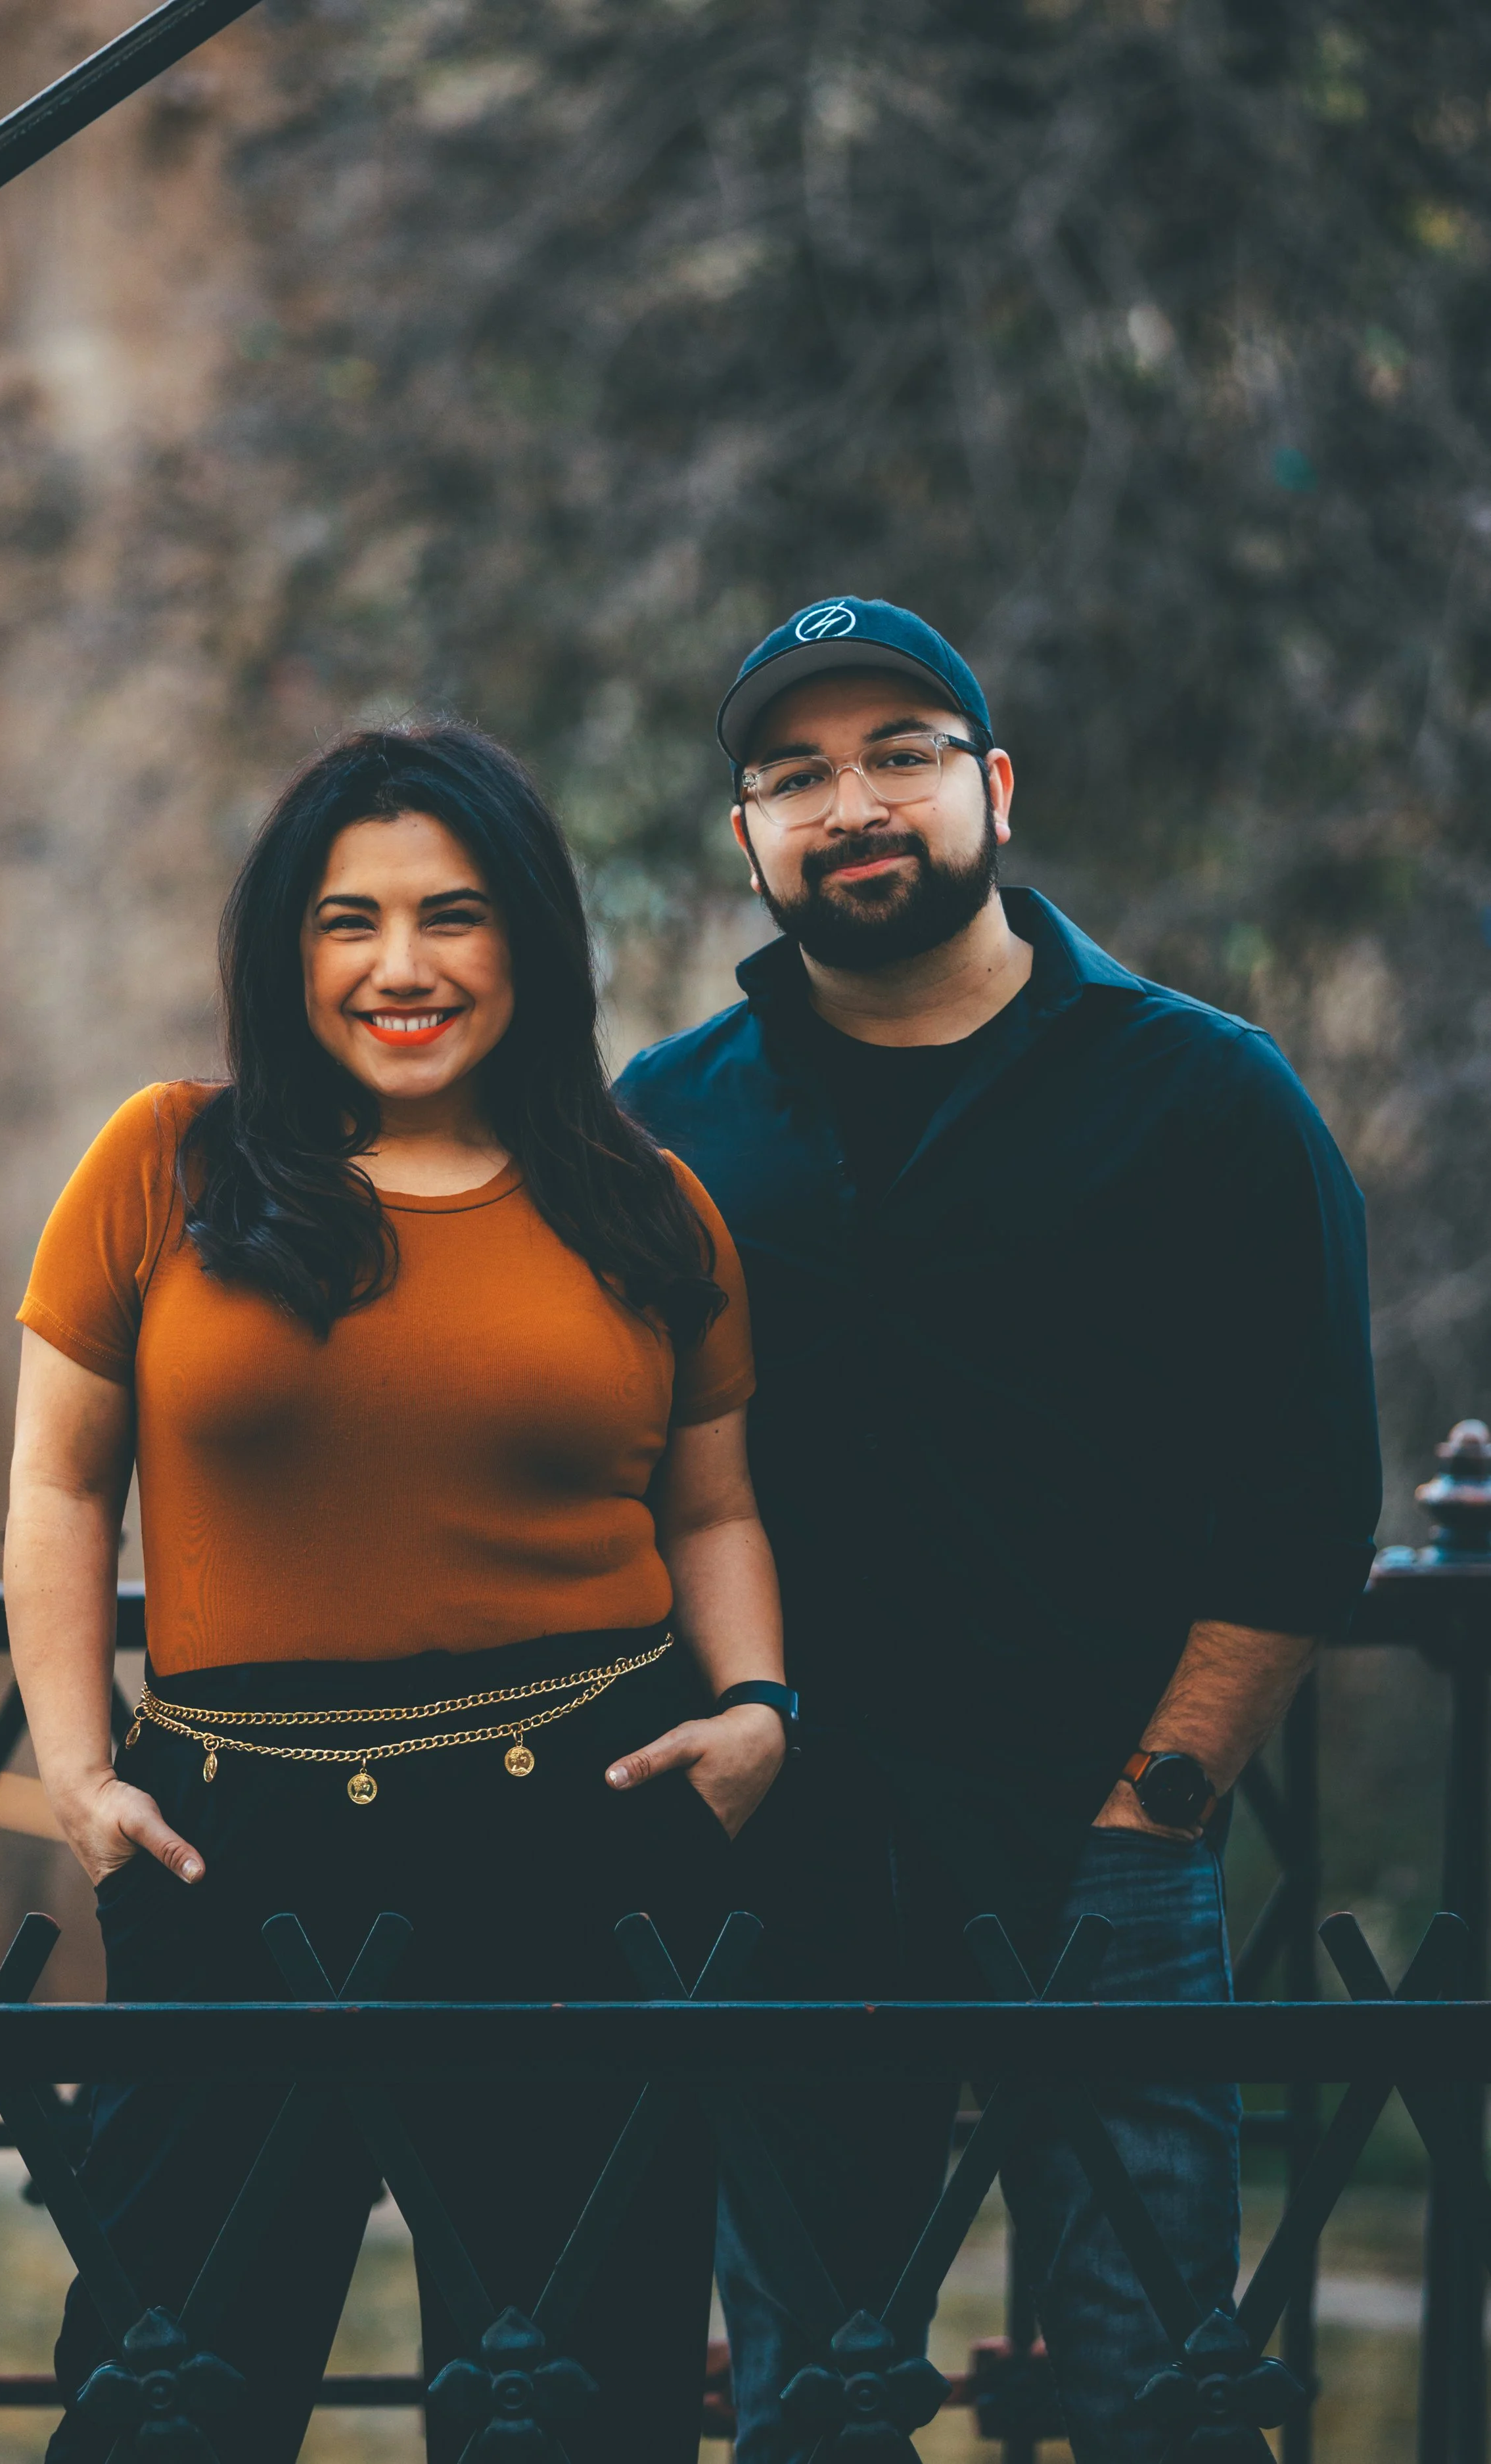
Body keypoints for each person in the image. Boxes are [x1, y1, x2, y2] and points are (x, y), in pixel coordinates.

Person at [614, 597, 1382, 2463]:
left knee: (1154, 2402)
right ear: (748, 840)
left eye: (899, 753)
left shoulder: (1202, 1095)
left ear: (994, 789)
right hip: (787, 1858)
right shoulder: (662, 1124)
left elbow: (1300, 1494)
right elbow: (611, 1471)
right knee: (809, 2398)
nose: (848, 801)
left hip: (1096, 1845)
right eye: (793, 774)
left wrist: (1157, 1808)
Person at [3, 723, 792, 2464]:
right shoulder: (168, 1165)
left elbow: (716, 1504)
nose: (402, 965)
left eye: (453, 913)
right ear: (287, 952)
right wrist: (75, 1773)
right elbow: (62, 1490)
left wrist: (753, 1709)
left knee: (571, 2407)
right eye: (347, 919)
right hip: (232, 1857)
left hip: (577, 1849)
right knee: (159, 2398)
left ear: (529, 939)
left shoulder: (646, 1206)